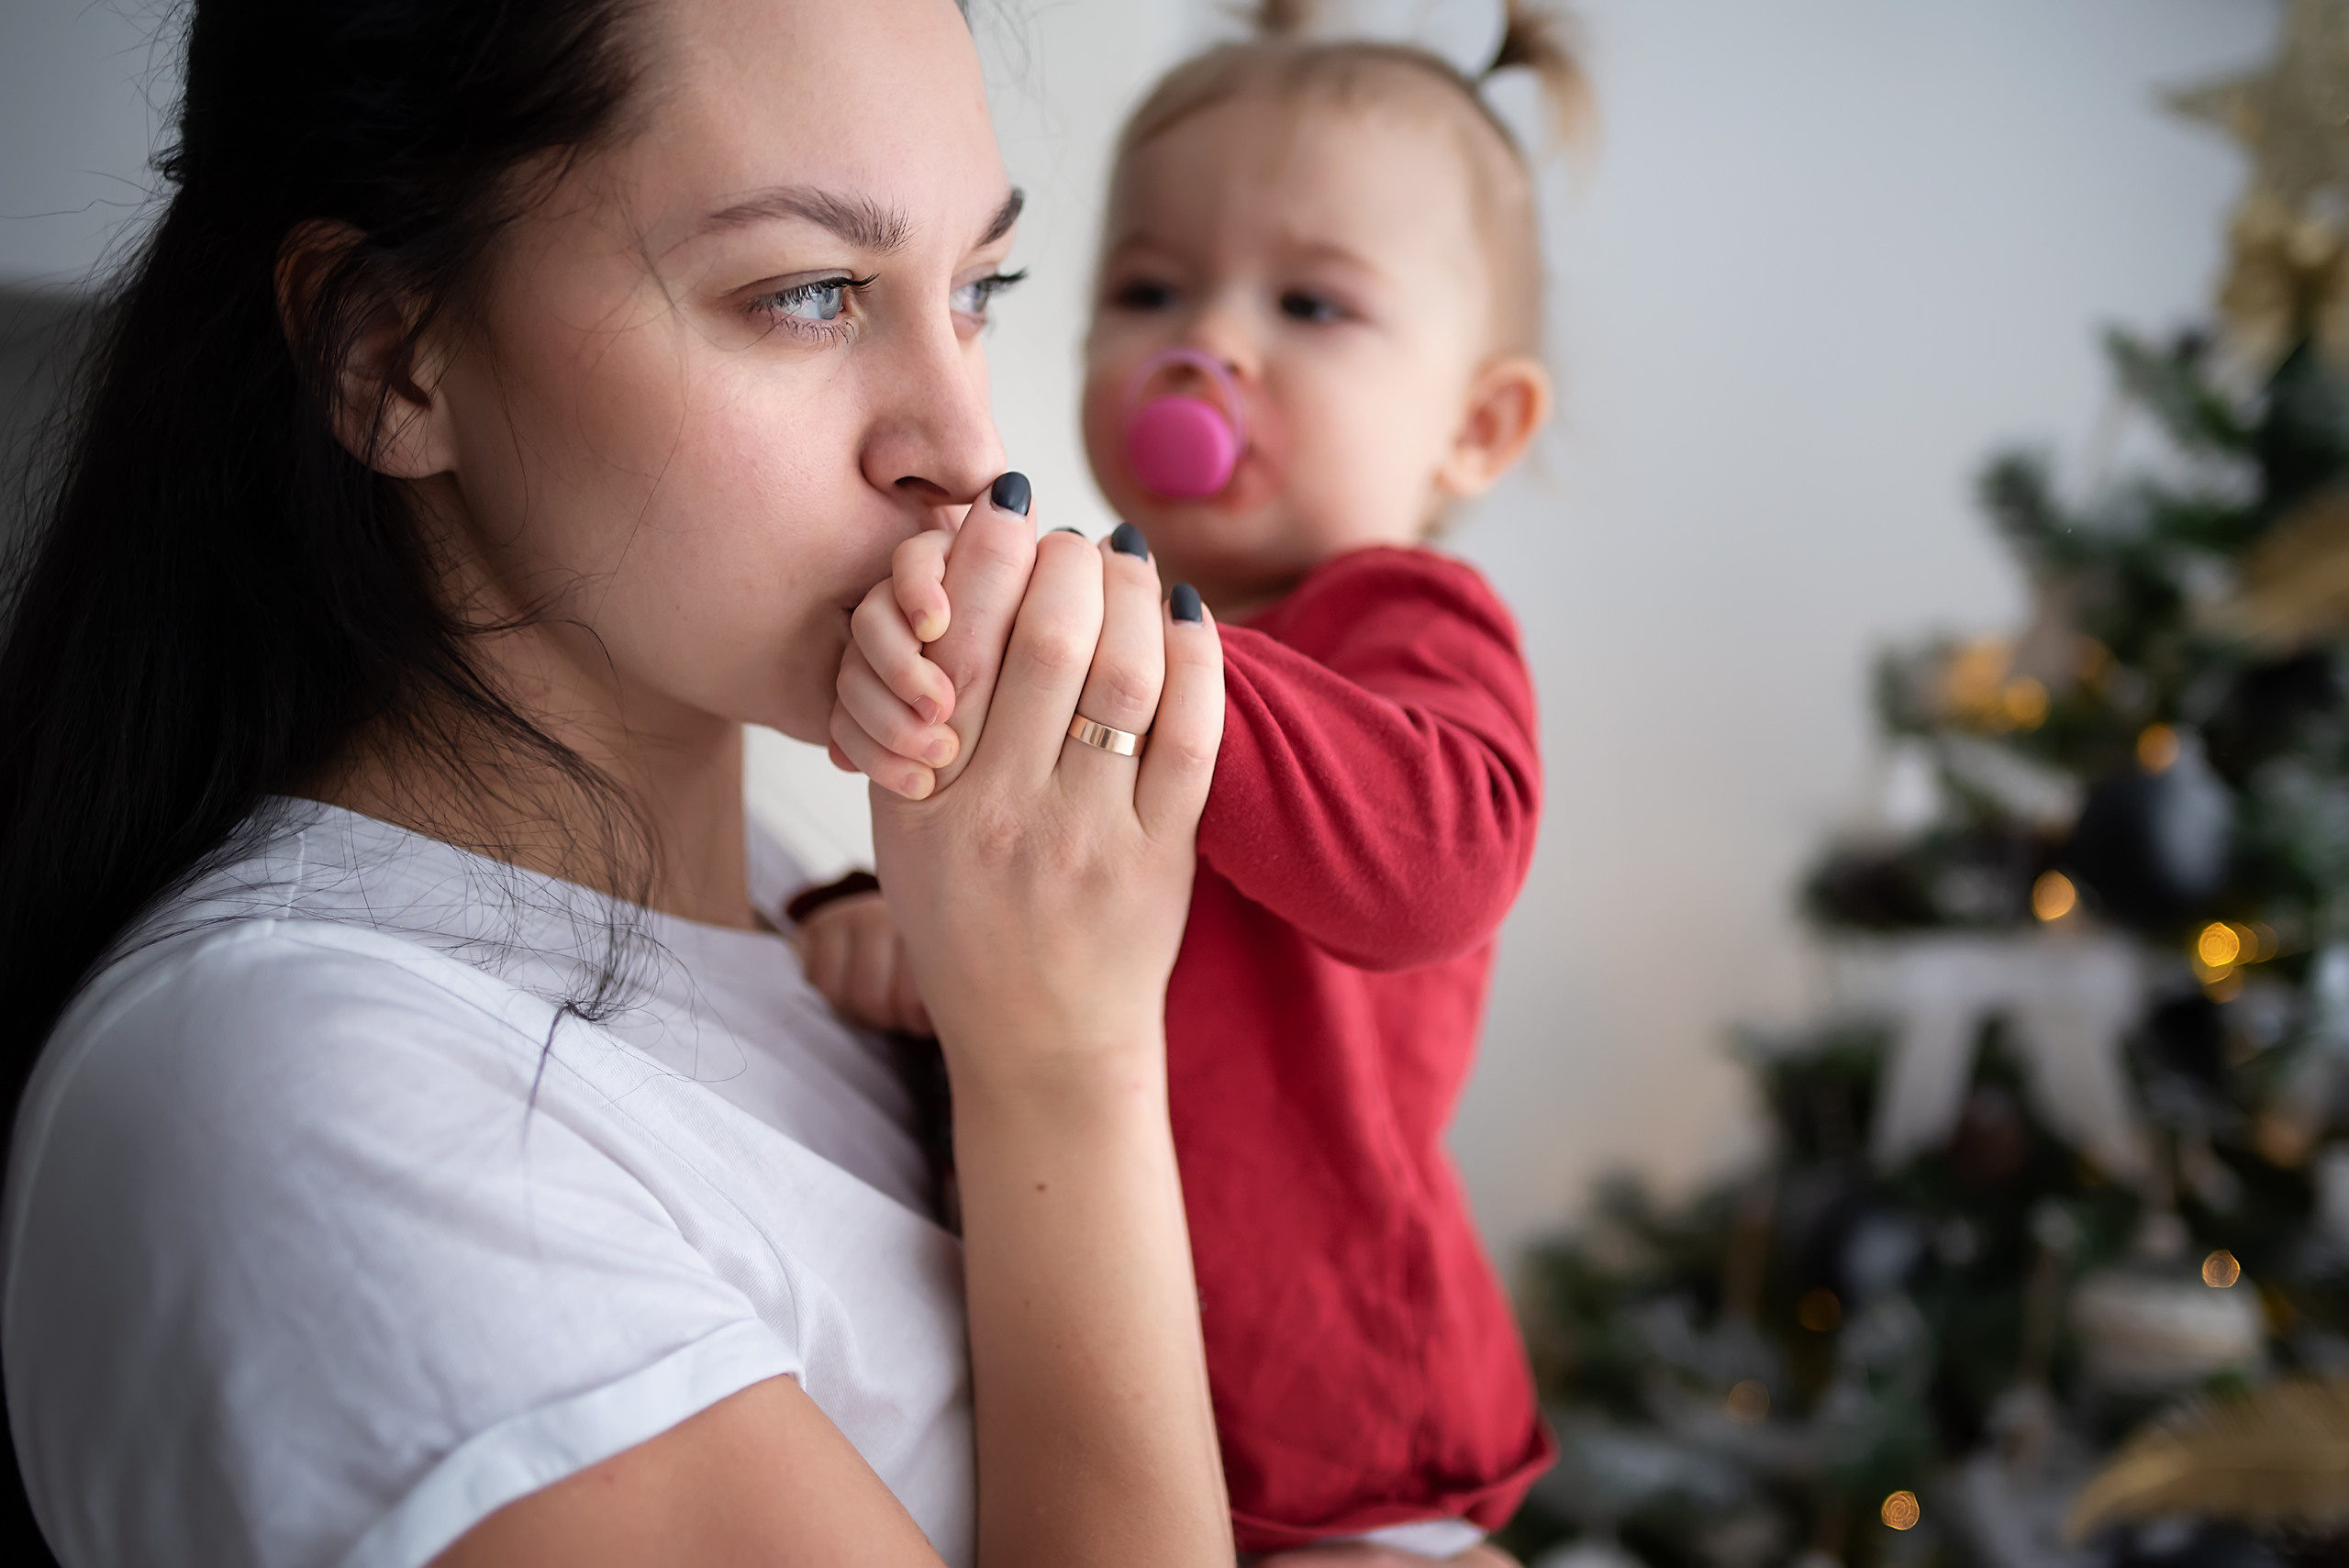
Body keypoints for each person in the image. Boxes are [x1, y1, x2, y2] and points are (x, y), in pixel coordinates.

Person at [0, 1, 1256, 1564]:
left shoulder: (812, 886)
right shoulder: (308, 1105)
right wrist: (1064, 1064)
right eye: (809, 294)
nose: (961, 440)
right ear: (390, 356)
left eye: (976, 288)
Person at [815, 1, 1583, 1556]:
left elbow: (1441, 859)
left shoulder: (1403, 624)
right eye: (1147, 286)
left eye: (1310, 302)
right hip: (1074, 1389)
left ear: (1478, 425)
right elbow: (1020, 880)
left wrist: (1147, 665)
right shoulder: (1090, 637)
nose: (1203, 340)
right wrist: (883, 912)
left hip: (1340, 1427)